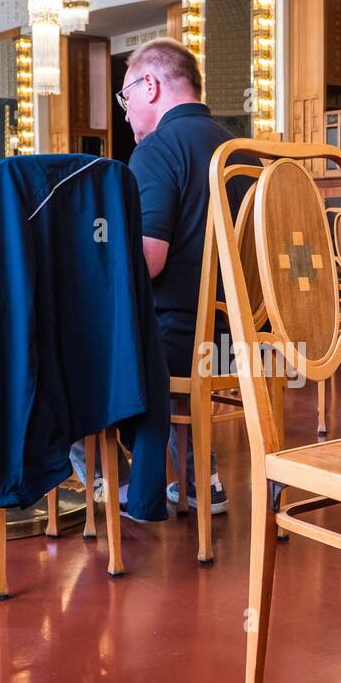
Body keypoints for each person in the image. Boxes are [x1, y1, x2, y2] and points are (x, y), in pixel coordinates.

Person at [117, 37, 241, 514]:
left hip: (182, 347)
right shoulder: (242, 150)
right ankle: (198, 483)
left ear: (150, 85)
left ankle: (124, 487)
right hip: (244, 346)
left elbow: (148, 261)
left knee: (64, 344)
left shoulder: (157, 150)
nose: (127, 115)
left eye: (126, 99)